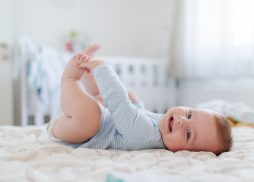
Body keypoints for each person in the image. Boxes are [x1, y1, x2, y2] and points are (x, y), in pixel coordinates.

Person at [48, 45, 232, 155]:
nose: (182, 122)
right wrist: (137, 104)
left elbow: (121, 107)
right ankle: (86, 64)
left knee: (93, 115)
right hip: (89, 122)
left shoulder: (148, 136)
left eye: (188, 134)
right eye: (190, 114)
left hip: (77, 133)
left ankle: (70, 79)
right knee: (103, 98)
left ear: (183, 152)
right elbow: (140, 116)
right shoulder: (162, 125)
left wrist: (103, 69)